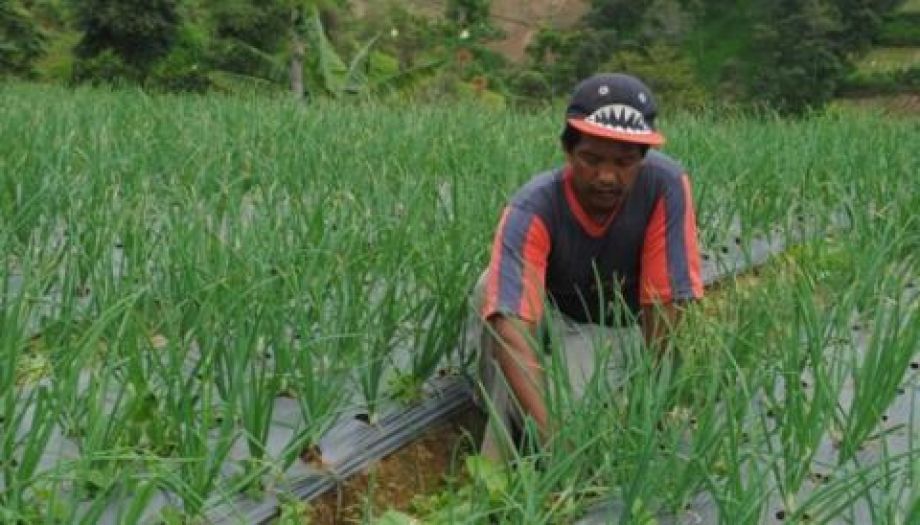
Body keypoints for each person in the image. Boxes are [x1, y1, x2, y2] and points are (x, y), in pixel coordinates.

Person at [469, 73, 704, 462]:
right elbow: (511, 329)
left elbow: (664, 308)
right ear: (567, 150)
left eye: (624, 162)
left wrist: (650, 400)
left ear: (642, 161)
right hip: (548, 312)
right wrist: (553, 442)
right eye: (591, 159)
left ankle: (529, 441)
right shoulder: (533, 207)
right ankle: (495, 448)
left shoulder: (665, 186)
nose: (606, 176)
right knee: (487, 290)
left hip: (612, 328)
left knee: (568, 414)